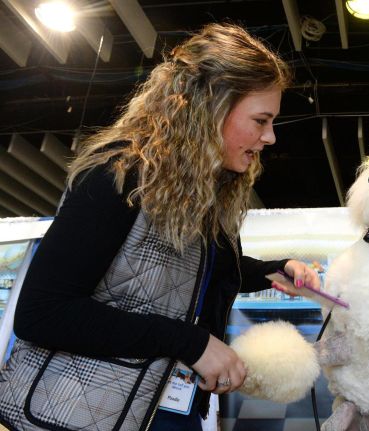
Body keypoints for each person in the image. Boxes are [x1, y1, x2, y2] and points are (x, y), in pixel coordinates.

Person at [0, 23, 319, 431]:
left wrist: (274, 269)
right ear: (211, 107)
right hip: (79, 414)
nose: (269, 137)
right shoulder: (117, 176)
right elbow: (42, 313)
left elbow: (193, 277)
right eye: (260, 120)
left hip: (166, 410)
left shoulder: (205, 195)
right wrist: (191, 342)